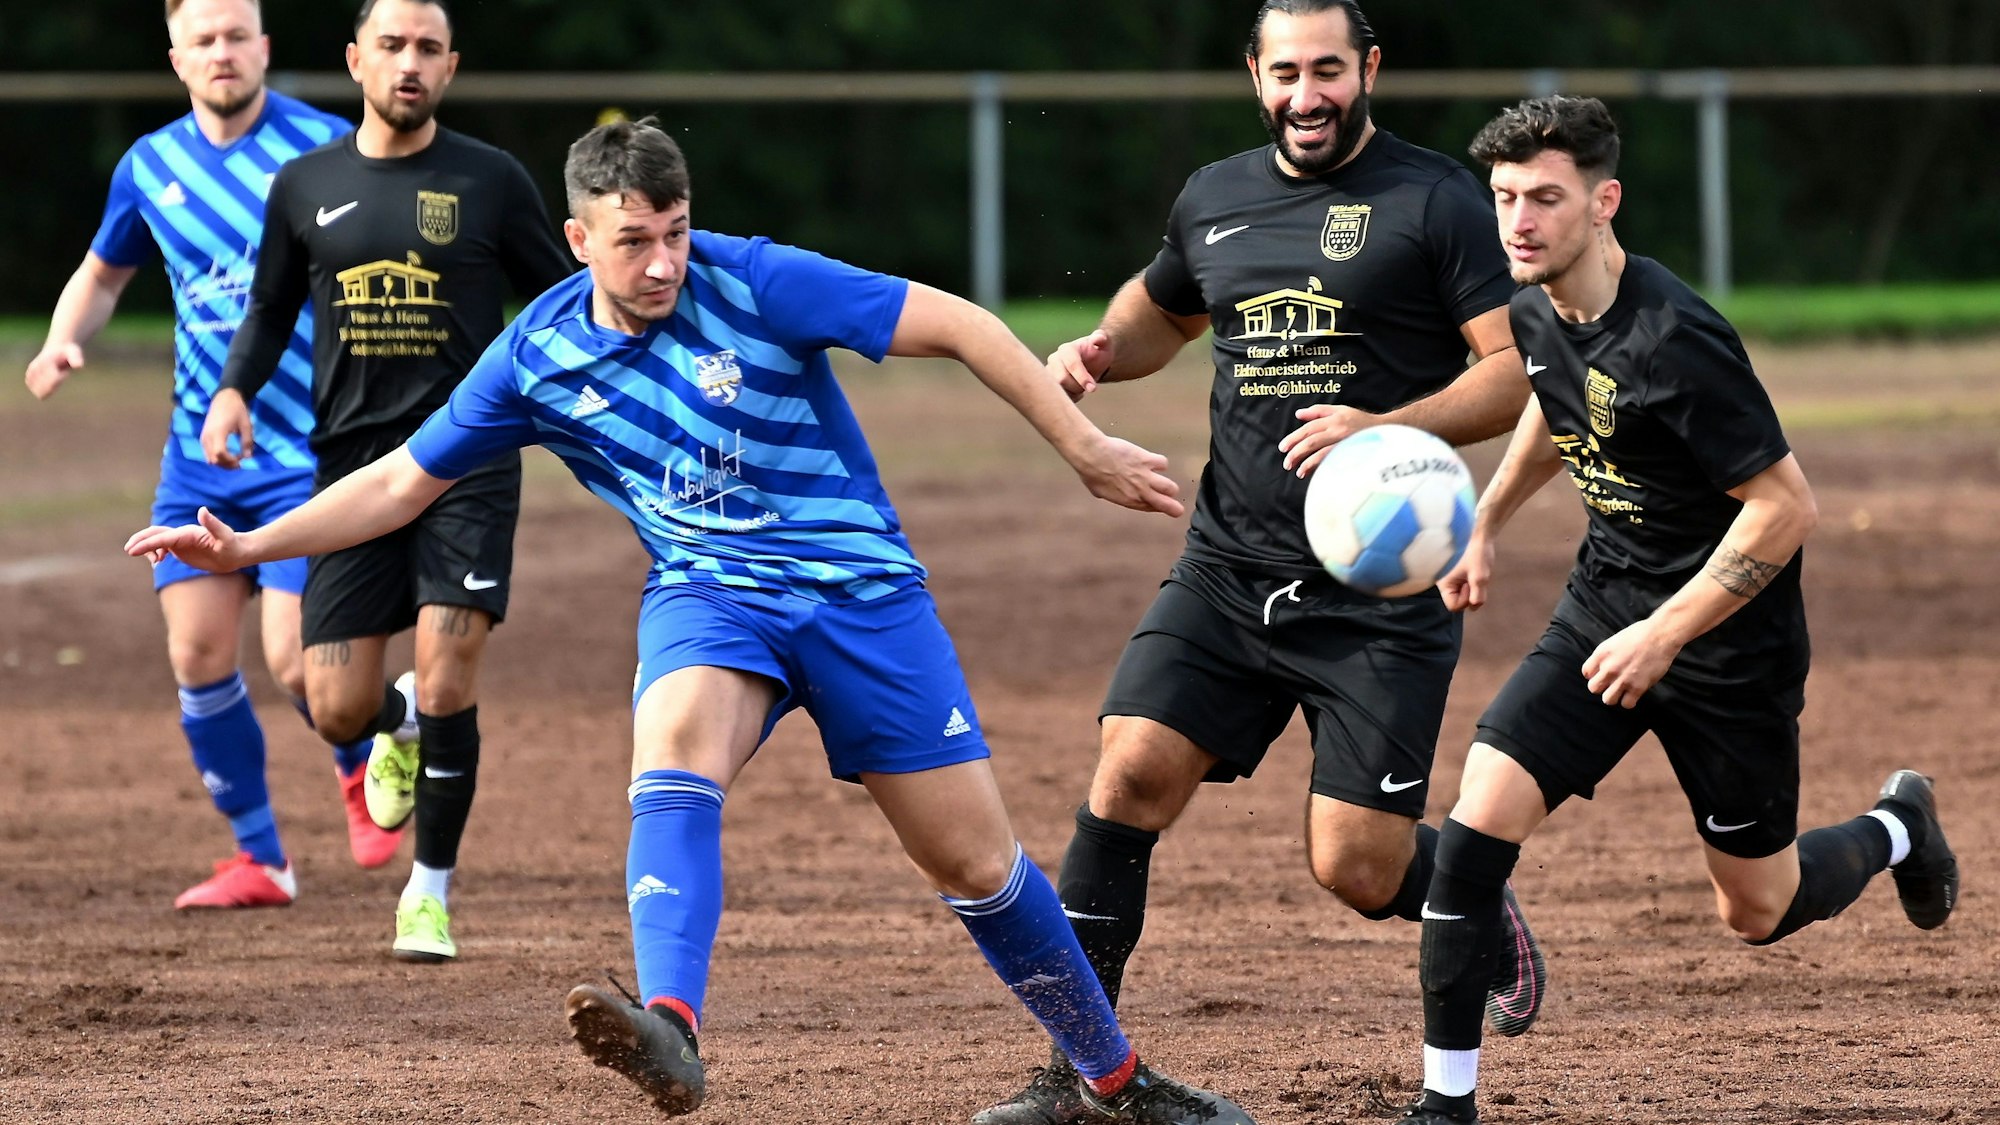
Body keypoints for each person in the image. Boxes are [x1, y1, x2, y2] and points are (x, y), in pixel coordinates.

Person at [129, 116, 1260, 1124]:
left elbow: (959, 323)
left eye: (674, 230)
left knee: (974, 863)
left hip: (860, 597)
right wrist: (245, 544)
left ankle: (1113, 1082)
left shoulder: (757, 280)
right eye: (634, 240)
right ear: (577, 241)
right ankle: (669, 1024)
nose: (663, 260)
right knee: (670, 755)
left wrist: (1084, 449)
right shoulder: (537, 353)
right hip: (710, 597)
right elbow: (396, 484)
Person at [978, 4, 1546, 1120]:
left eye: (1327, 70)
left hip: (1379, 594)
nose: (1307, 95)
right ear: (1254, 75)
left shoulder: (1435, 202)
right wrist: (1098, 352)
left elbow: (1511, 372)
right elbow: (1159, 316)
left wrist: (1387, 427)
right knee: (1127, 773)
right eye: (1284, 72)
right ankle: (1074, 1078)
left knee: (1357, 869)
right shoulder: (1214, 194)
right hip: (1227, 567)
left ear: (1367, 68)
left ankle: (1463, 892)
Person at [1389, 94, 1962, 1125]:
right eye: (1504, 197)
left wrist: (1666, 632)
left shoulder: (1673, 336)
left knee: (1756, 908)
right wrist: (1482, 522)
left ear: (1602, 203)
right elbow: (1551, 407)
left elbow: (1786, 508)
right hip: (1601, 611)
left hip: (1725, 652)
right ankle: (1444, 1105)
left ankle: (1894, 827)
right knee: (1472, 829)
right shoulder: (1533, 307)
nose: (1517, 221)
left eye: (1544, 199)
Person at [202, 0, 576, 961]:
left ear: (451, 67)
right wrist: (234, 391)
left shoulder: (490, 180)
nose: (408, 64)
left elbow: (561, 296)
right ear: (354, 60)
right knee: (335, 705)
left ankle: (430, 894)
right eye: (391, 47)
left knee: (452, 675)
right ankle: (395, 719)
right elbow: (271, 306)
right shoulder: (304, 184)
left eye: (428, 49)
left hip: (469, 461)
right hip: (352, 473)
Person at [21, 0, 414, 909]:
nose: (222, 53)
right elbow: (103, 273)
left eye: (238, 36)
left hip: (310, 450)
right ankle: (262, 859)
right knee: (197, 654)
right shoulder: (148, 165)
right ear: (177, 57)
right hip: (198, 453)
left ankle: (366, 760)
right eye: (204, 39)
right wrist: (62, 339)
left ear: (265, 47)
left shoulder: (326, 147)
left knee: (290, 660)